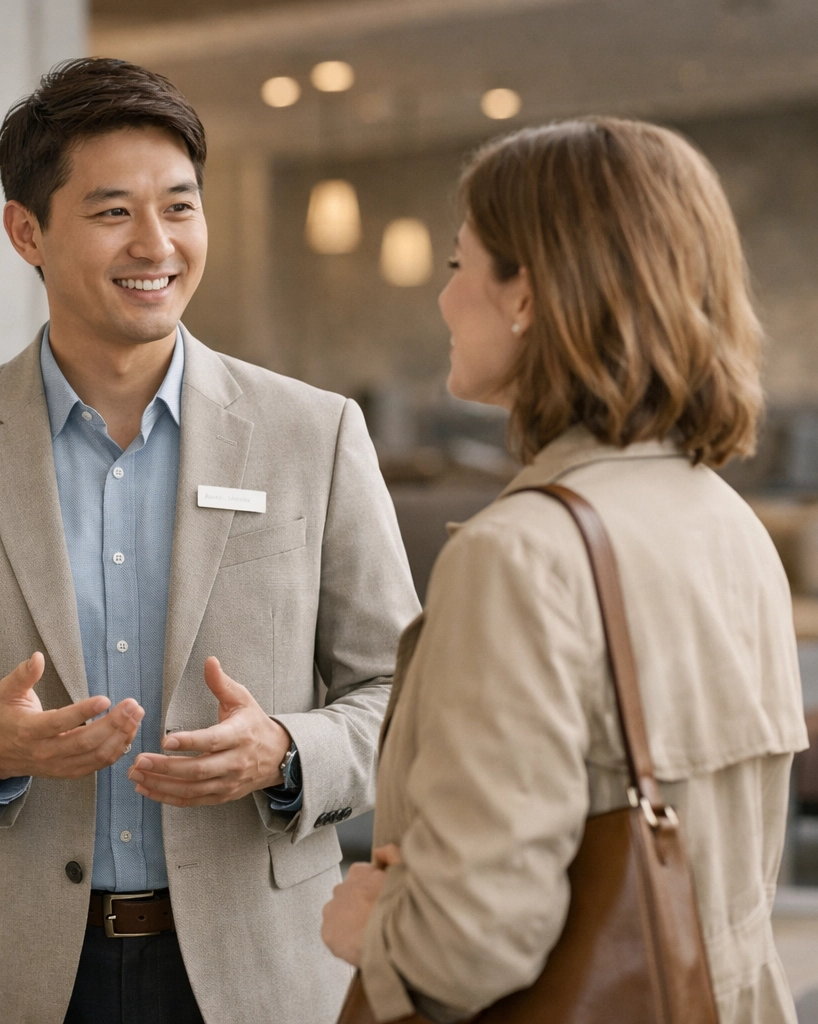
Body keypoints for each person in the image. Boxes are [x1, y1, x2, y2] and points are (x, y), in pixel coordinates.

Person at [0, 58, 419, 1024]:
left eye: (180, 207)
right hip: (6, 974)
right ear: (27, 232)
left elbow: (409, 701)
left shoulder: (316, 434)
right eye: (111, 213)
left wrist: (288, 751)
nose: (157, 245)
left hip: (260, 971)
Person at [320, 116, 810, 1024]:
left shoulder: (518, 559)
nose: (444, 299)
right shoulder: (729, 524)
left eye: (459, 264)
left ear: (527, 296)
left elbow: (469, 945)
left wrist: (369, 932)